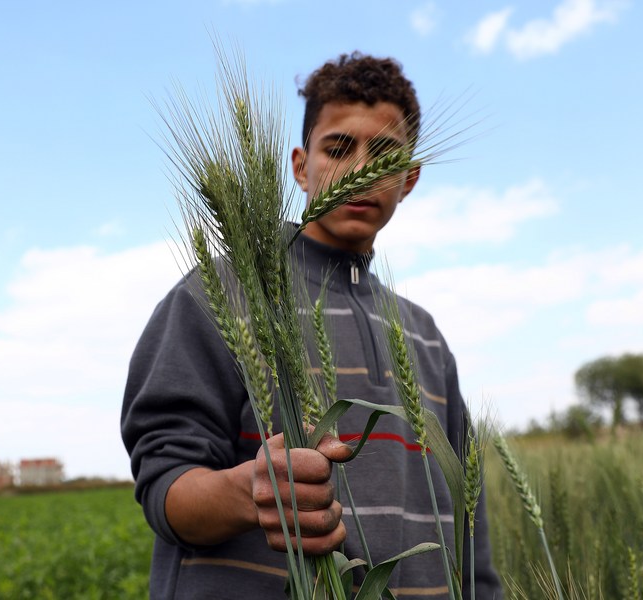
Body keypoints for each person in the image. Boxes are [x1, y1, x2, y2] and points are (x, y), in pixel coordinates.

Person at [122, 52, 503, 599]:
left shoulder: (425, 335)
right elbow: (165, 486)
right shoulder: (218, 293)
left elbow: (469, 521)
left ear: (411, 178)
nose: (359, 169)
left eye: (385, 154)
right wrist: (248, 493)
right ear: (301, 166)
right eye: (338, 148)